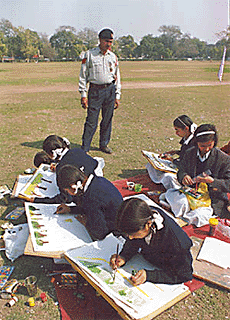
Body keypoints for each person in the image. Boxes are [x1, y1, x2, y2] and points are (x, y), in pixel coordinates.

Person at [109, 198, 193, 285]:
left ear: (148, 224)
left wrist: (149, 276)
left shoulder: (177, 243)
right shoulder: (142, 217)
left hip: (166, 267)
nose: (130, 238)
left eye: (133, 234)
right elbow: (133, 242)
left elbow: (184, 275)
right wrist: (124, 256)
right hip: (148, 259)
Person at [165, 124, 230, 226]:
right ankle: (184, 214)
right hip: (191, 193)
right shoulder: (190, 152)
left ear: (214, 142)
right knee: (174, 197)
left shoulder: (223, 159)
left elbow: (228, 184)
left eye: (210, 145)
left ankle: (183, 220)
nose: (207, 149)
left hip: (211, 199)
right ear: (197, 142)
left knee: (200, 215)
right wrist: (184, 176)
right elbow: (181, 170)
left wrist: (212, 181)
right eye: (202, 146)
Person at [79, 28, 121, 154]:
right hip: (95, 91)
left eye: (111, 42)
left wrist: (117, 95)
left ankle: (104, 144)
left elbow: (117, 77)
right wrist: (83, 94)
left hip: (110, 90)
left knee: (107, 119)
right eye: (106, 41)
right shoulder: (90, 55)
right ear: (100, 40)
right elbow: (83, 76)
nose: (108, 44)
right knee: (91, 121)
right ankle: (85, 147)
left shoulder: (113, 57)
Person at [56, 164, 123, 241]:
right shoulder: (96, 181)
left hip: (115, 231)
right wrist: (70, 209)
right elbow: (90, 207)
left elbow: (100, 233)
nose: (67, 193)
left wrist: (86, 224)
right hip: (116, 217)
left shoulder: (91, 197)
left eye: (66, 191)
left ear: (72, 187)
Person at [32, 135, 104, 204]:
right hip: (101, 183)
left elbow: (65, 198)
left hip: (89, 196)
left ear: (52, 153)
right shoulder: (77, 150)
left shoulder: (62, 168)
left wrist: (36, 200)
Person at [146, 115, 197, 190]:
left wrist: (172, 160)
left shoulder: (193, 143)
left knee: (168, 177)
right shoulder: (186, 138)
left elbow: (187, 163)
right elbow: (185, 152)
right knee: (151, 164)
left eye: (177, 130)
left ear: (186, 128)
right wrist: (176, 152)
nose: (176, 133)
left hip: (186, 172)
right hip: (180, 165)